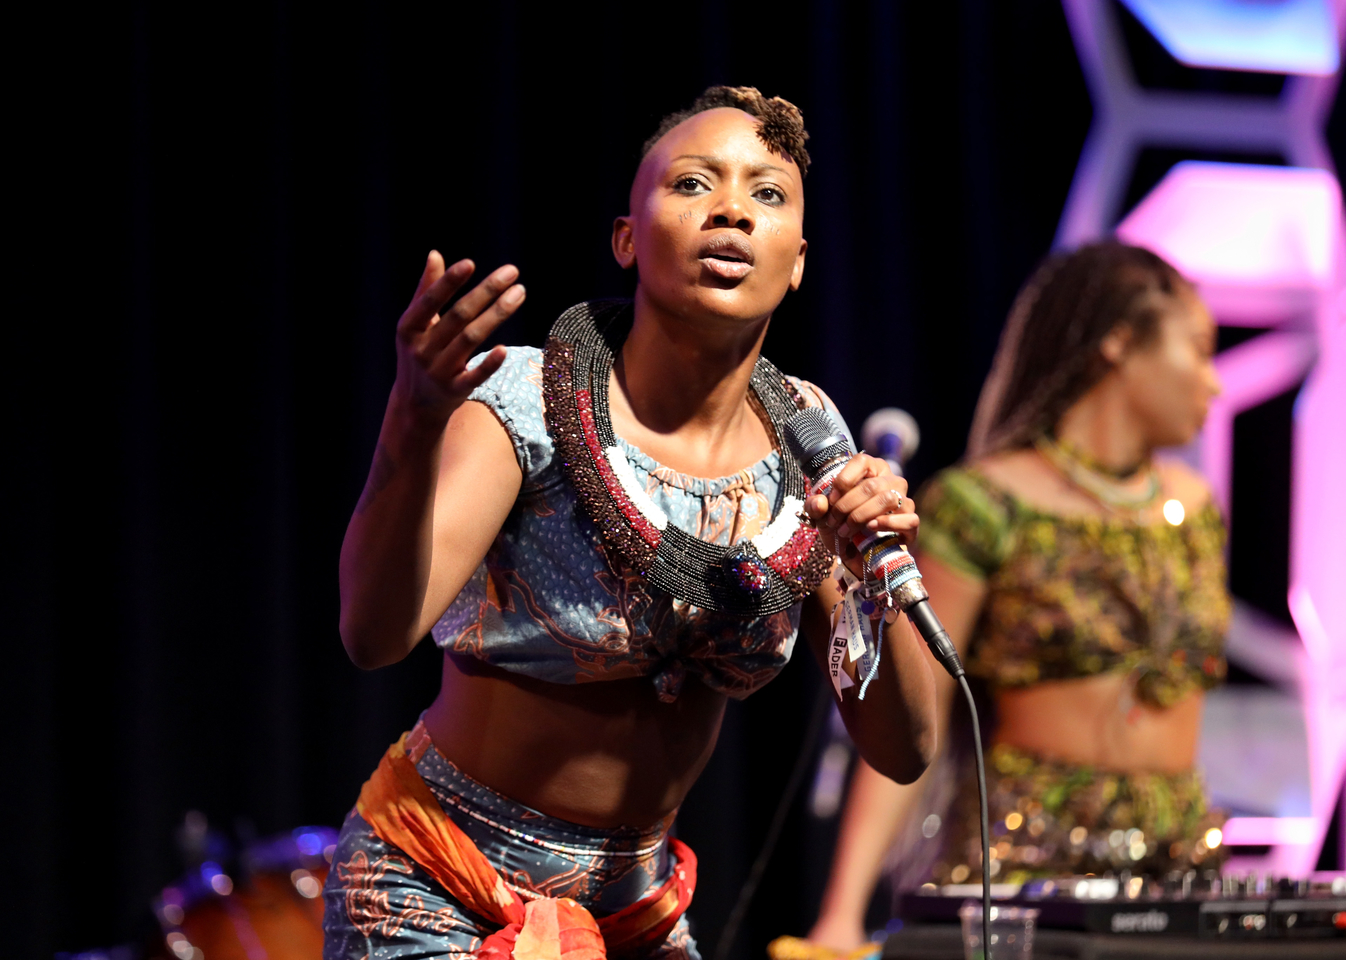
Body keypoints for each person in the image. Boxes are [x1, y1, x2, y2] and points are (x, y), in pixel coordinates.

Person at [324, 86, 940, 960]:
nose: (731, 208)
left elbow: (906, 747)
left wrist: (879, 573)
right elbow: (373, 635)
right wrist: (411, 425)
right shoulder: (527, 402)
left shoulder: (812, 442)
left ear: (796, 260)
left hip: (634, 905)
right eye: (694, 183)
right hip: (441, 878)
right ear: (626, 238)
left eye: (767, 194)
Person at [779, 241, 1231, 960]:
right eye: (1200, 350)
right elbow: (914, 709)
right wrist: (841, 913)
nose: (1214, 382)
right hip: (1027, 879)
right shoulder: (984, 503)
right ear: (1119, 341)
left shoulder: (1197, 506)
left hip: (1179, 875)